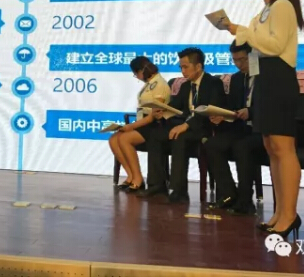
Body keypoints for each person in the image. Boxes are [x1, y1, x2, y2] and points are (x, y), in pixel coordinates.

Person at [227, 0, 304, 239]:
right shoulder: (262, 13)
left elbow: (275, 46)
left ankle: (290, 214)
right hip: (263, 81)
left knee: (284, 148)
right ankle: (279, 212)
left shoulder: (282, 6)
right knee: (272, 148)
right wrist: (240, 32)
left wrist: (242, 31)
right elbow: (257, 51)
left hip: (279, 81)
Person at [141, 47, 226, 202]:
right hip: (186, 126)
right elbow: (176, 107)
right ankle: (156, 185)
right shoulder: (186, 86)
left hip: (204, 128)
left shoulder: (213, 83)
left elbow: (209, 111)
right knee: (155, 135)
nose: (183, 71)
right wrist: (162, 111)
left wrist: (186, 125)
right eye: (181, 67)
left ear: (198, 66)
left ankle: (178, 191)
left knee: (180, 137)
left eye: (186, 67)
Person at [204, 41, 267, 215]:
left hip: (262, 130)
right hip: (241, 128)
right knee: (212, 144)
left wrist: (250, 112)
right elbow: (232, 108)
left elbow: (272, 107)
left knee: (242, 146)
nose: (239, 64)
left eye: (243, 60)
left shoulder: (266, 76)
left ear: (253, 56)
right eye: (235, 60)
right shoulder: (237, 79)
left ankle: (245, 201)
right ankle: (228, 194)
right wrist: (223, 116)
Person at [109, 56, 169, 193]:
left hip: (156, 125)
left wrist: (131, 126)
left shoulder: (160, 84)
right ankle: (130, 175)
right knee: (113, 139)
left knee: (124, 139)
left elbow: (154, 115)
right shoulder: (149, 83)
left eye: (136, 74)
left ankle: (138, 179)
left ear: (142, 70)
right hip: (144, 123)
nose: (136, 77)